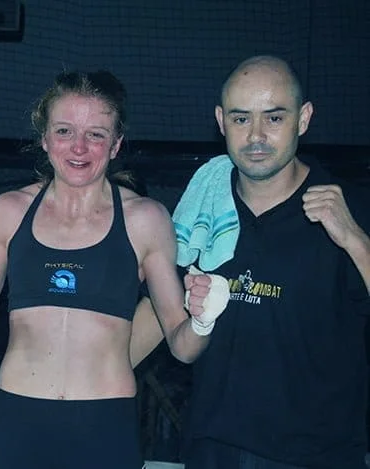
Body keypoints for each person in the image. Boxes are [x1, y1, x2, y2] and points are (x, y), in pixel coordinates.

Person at [0, 70, 227, 469]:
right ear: (44, 138)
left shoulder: (145, 219)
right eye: (64, 131)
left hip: (104, 424)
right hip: (19, 422)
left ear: (116, 144)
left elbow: (183, 347)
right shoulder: (9, 211)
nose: (79, 147)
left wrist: (202, 319)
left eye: (96, 134)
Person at [142, 55, 370, 469]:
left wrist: (356, 240)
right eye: (241, 118)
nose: (256, 136)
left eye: (275, 118)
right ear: (221, 121)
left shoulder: (349, 208)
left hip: (317, 456)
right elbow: (160, 314)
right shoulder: (203, 208)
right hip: (211, 448)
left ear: (303, 119)